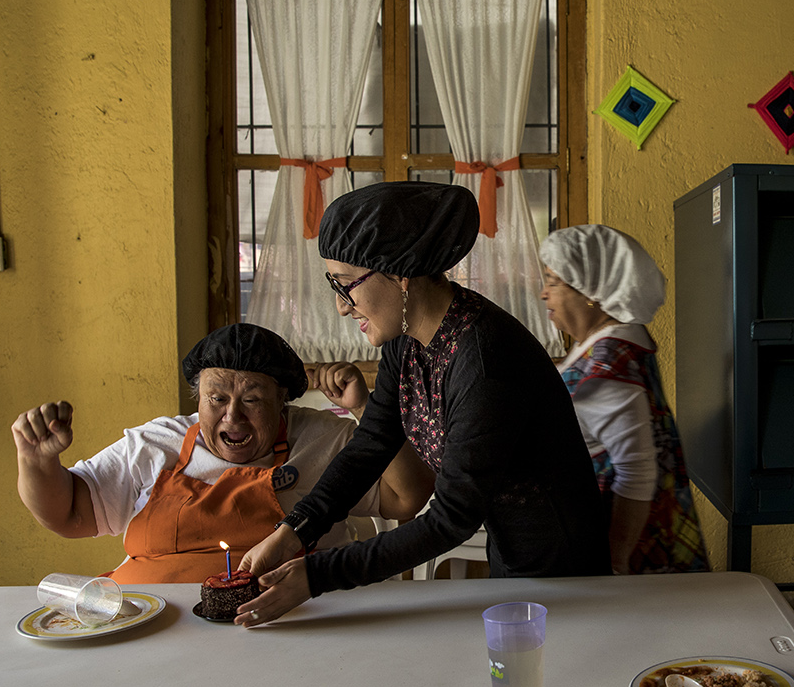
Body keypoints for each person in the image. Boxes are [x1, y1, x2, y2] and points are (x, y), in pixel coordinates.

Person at [238, 181, 608, 623]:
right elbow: (371, 443)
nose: (341, 307)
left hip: (563, 570)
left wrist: (317, 575)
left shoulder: (487, 360)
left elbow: (451, 517)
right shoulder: (407, 341)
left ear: (398, 274)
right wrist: (294, 530)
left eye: (346, 285)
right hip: (513, 557)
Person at [12, 324, 435, 584]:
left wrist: (367, 409)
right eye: (217, 398)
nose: (233, 416)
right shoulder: (153, 445)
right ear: (197, 400)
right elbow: (69, 515)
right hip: (158, 627)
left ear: (282, 403)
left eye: (252, 400)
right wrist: (36, 462)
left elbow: (407, 497)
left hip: (290, 625)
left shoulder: (324, 439)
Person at [537, 224, 709, 574]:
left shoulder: (610, 361)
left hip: (626, 547)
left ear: (591, 291)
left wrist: (616, 559)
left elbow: (635, 471)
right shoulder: (606, 342)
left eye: (553, 281)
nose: (544, 293)